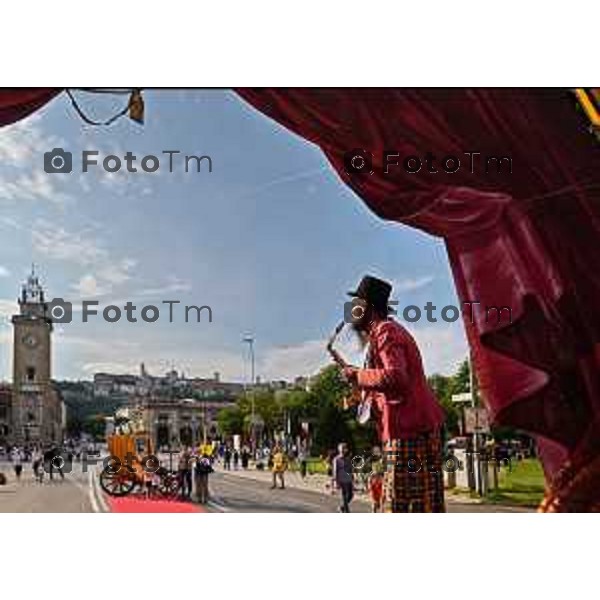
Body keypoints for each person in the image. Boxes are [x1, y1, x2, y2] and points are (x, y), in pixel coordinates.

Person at [342, 275, 446, 512]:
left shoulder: (385, 331)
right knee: (412, 504)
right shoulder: (384, 332)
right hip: (408, 428)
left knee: (403, 504)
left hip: (410, 429)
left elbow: (396, 377)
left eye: (356, 303)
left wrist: (357, 375)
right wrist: (362, 395)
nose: (351, 309)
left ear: (367, 306)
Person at [332, 443, 354, 512]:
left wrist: (353, 477)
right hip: (341, 480)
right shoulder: (336, 459)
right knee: (344, 496)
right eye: (343, 448)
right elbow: (335, 471)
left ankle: (342, 507)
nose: (344, 450)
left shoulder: (348, 459)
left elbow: (350, 469)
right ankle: (346, 511)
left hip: (348, 479)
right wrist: (336, 481)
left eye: (345, 448)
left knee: (350, 495)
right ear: (340, 450)